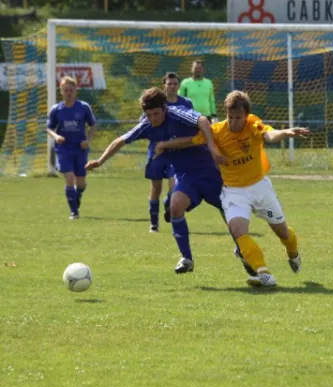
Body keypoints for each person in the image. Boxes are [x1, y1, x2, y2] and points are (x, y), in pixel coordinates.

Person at [86, 87, 251, 275]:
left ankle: (243, 249)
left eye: (156, 113)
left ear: (165, 108)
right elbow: (121, 140)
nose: (153, 119)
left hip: (210, 173)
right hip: (186, 177)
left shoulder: (178, 114)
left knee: (229, 211)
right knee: (175, 207)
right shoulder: (147, 125)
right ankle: (187, 258)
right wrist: (100, 160)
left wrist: (211, 145)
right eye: (149, 115)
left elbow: (203, 120)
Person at [155, 90, 308, 287]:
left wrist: (286, 132)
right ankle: (264, 274)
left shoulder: (253, 124)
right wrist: (164, 144)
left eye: (238, 117)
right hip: (234, 192)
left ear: (246, 115)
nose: (234, 122)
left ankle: (293, 253)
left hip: (259, 188)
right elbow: (192, 141)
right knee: (237, 230)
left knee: (283, 233)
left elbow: (269, 135)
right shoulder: (217, 131)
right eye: (230, 117)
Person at [145, 72, 194, 232]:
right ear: (164, 86)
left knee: (176, 186)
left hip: (177, 152)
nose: (172, 86)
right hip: (157, 152)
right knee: (156, 187)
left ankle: (169, 203)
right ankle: (154, 223)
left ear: (178, 86)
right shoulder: (157, 103)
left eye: (175, 84)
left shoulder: (186, 103)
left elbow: (191, 125)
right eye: (169, 83)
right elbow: (144, 122)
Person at [46, 76, 97, 220]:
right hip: (64, 149)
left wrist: (88, 140)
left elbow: (93, 125)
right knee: (69, 178)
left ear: (76, 91)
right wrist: (56, 137)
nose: (68, 93)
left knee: (81, 183)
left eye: (71, 90)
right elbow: (49, 128)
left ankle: (77, 197)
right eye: (65, 90)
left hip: (80, 149)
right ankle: (74, 212)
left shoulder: (83, 107)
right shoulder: (56, 109)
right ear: (61, 91)